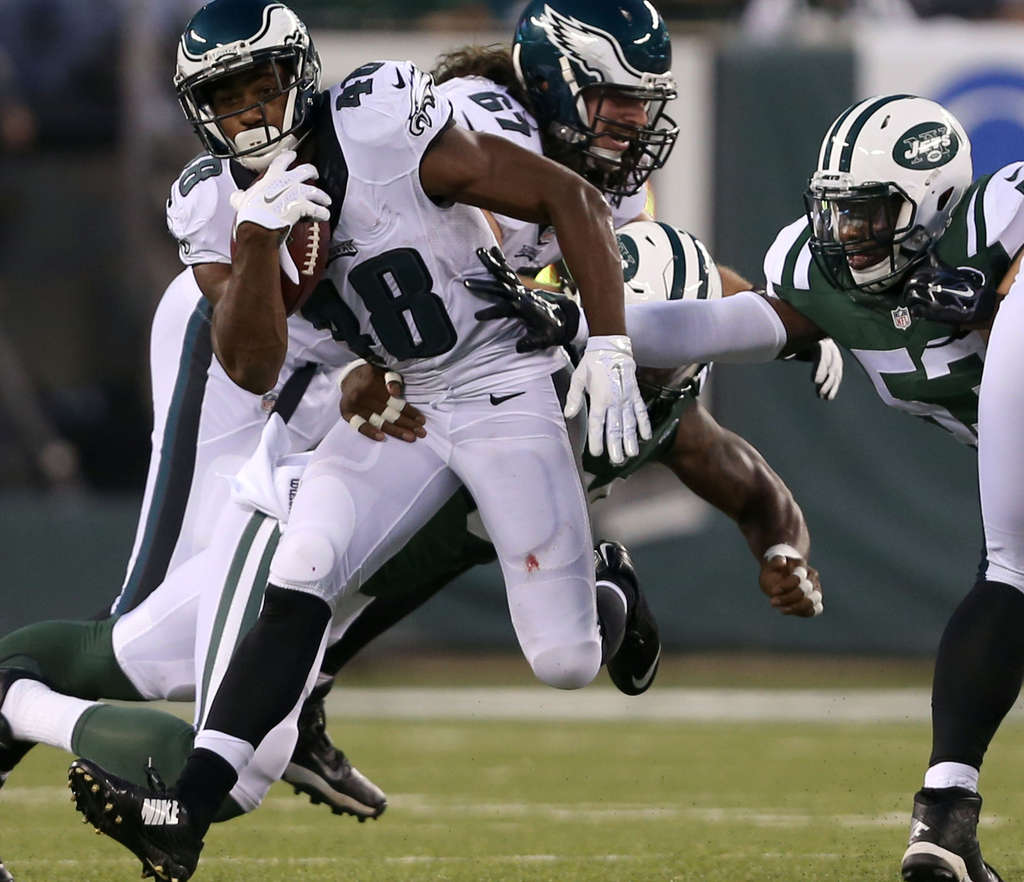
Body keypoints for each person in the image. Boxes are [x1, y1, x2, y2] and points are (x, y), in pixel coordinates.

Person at [61, 0, 663, 873]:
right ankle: (183, 814)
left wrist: (607, 341)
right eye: (224, 99)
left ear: (298, 74)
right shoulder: (211, 199)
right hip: (400, 400)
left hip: (498, 381)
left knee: (565, 660)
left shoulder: (379, 122)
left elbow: (565, 195)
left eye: (261, 88)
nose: (249, 114)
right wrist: (257, 239)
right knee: (302, 567)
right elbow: (252, 366)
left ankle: (608, 588)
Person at [522, 93, 1017, 882]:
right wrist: (582, 322)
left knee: (1011, 569)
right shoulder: (819, 276)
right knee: (1011, 574)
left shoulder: (994, 216)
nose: (848, 233)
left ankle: (946, 818)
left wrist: (994, 293)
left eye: (872, 214)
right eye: (840, 211)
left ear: (935, 204)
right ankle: (944, 818)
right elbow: (708, 328)